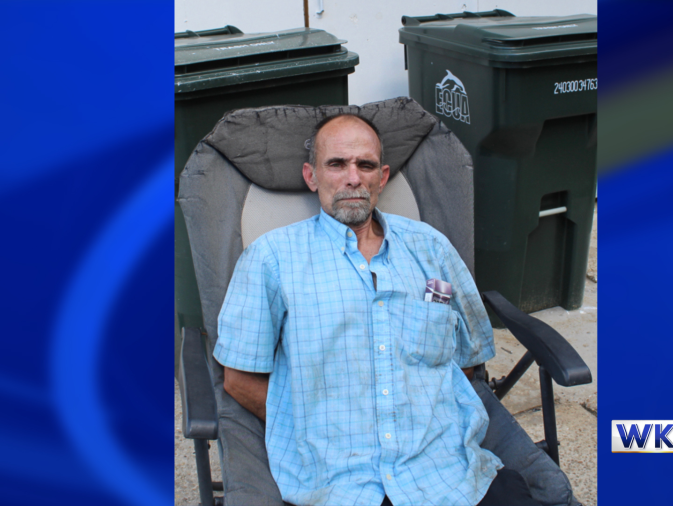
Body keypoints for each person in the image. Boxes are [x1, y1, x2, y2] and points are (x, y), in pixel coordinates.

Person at [213, 113, 547, 506]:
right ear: (311, 176)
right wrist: (307, 425)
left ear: (382, 178)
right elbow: (238, 379)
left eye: (365, 165)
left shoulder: (430, 249)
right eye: (336, 164)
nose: (353, 177)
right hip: (341, 483)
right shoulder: (271, 259)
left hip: (449, 472)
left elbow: (467, 360)